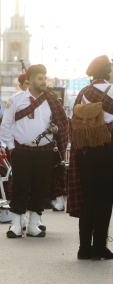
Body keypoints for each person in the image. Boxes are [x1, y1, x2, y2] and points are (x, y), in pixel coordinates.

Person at [0, 64, 68, 239]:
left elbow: (62, 125)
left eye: (45, 77)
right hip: (21, 150)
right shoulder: (16, 99)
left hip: (44, 151)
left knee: (40, 187)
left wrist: (56, 130)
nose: (44, 81)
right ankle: (15, 225)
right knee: (20, 187)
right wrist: (12, 148)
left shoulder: (52, 100)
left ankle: (33, 225)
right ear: (29, 80)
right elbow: (5, 126)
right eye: (40, 78)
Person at [68, 55, 113, 260]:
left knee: (88, 199)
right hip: (108, 150)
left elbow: (73, 122)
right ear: (108, 71)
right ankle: (99, 247)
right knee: (104, 200)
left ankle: (84, 248)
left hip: (85, 152)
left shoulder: (84, 92)